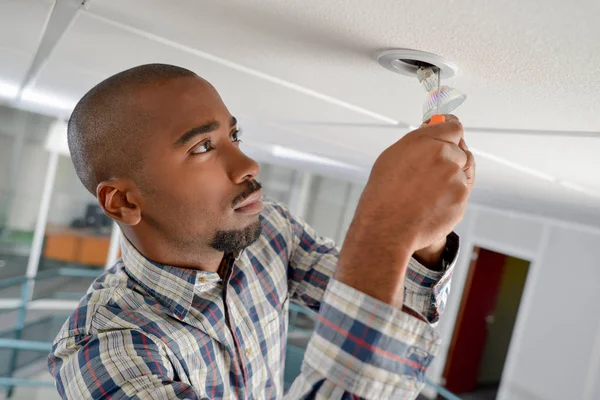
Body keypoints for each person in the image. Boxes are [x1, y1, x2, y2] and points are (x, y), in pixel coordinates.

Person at [48, 63, 474, 399]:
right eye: (202, 147)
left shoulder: (267, 229)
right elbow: (378, 288)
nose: (247, 165)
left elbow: (404, 312)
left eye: (234, 135)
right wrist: (383, 229)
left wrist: (427, 234)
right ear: (123, 202)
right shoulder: (103, 352)